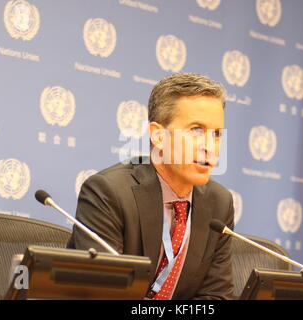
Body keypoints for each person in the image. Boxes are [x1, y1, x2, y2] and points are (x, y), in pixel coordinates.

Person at [67, 73, 234, 300]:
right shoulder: (109, 192)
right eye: (196, 130)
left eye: (216, 134)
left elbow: (216, 297)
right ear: (158, 135)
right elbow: (105, 293)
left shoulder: (219, 203)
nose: (210, 147)